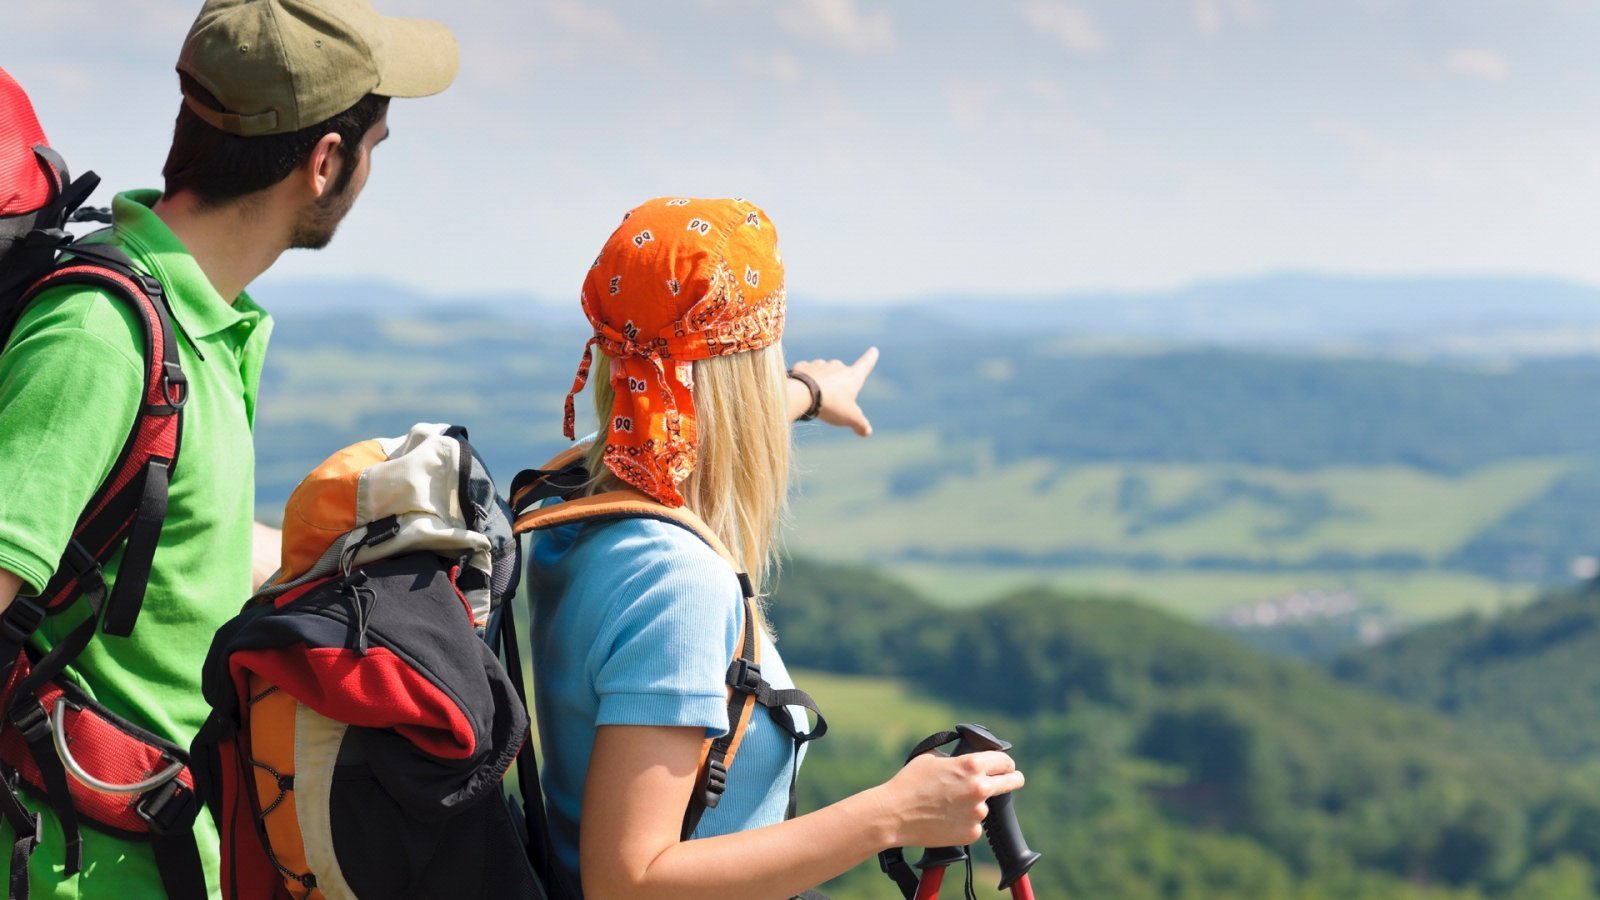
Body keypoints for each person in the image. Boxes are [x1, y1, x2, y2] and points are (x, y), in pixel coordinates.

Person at [0, 0, 458, 894]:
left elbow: (171, 557)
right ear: (325, 162)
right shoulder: (100, 337)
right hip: (74, 869)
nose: (369, 169)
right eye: (376, 146)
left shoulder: (196, 323)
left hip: (160, 857)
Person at [527, 197, 1024, 899]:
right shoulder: (678, 584)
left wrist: (811, 393)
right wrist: (892, 813)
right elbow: (628, 881)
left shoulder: (569, 496)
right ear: (743, 375)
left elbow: (680, 424)